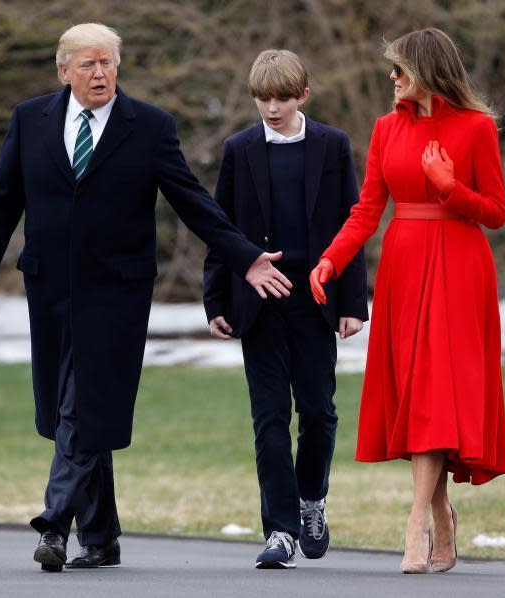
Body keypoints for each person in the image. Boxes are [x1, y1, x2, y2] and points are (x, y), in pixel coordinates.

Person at [0, 23, 293, 572]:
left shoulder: (149, 126)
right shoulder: (29, 119)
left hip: (117, 292)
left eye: (109, 63)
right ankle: (102, 537)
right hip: (49, 289)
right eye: (88, 64)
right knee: (68, 406)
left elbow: (192, 201)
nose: (100, 74)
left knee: (82, 402)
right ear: (63, 70)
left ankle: (54, 524)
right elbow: (2, 201)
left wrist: (244, 257)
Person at [309, 27, 505, 574]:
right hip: (404, 265)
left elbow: (495, 211)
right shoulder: (384, 129)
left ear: (425, 71)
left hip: (461, 269)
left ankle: (416, 521)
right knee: (420, 392)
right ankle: (442, 517)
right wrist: (331, 258)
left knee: (440, 392)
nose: (391, 79)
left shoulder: (475, 128)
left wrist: (450, 187)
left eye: (398, 69)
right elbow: (367, 210)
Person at [204, 49, 368, 569]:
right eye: (261, 99)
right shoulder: (240, 149)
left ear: (303, 95)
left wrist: (352, 301)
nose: (271, 108)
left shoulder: (332, 146)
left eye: (280, 98)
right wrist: (216, 300)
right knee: (269, 418)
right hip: (259, 303)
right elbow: (220, 229)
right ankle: (279, 530)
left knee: (318, 411)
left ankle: (311, 500)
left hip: (316, 299)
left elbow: (353, 226)